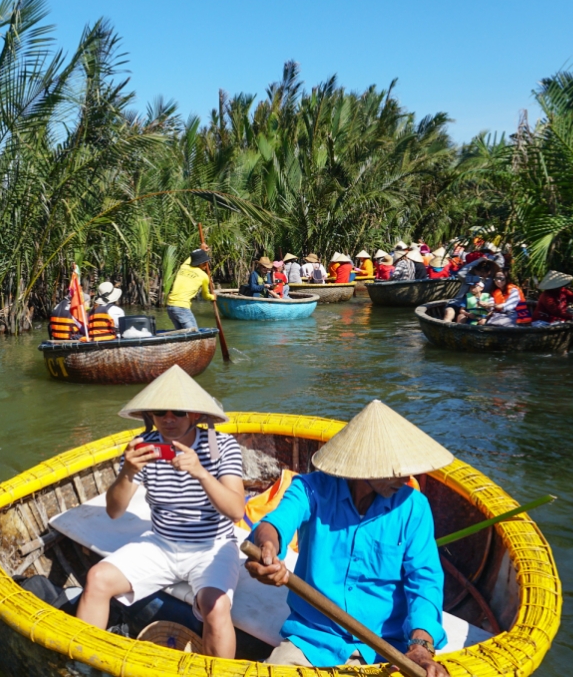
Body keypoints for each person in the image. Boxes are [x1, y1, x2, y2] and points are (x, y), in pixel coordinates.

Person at [246, 399, 451, 674]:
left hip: (386, 648)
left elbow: (424, 582)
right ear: (363, 466)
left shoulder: (414, 508)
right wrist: (268, 549)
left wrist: (420, 646)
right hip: (313, 641)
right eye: (396, 470)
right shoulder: (312, 489)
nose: (405, 479)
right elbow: (274, 525)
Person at [77, 366, 245, 658]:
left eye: (178, 412)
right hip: (162, 543)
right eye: (159, 412)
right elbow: (114, 511)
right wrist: (128, 472)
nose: (168, 419)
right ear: (150, 416)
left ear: (195, 415)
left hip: (212, 546)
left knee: (216, 608)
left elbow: (236, 511)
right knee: (97, 578)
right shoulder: (143, 448)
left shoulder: (222, 447)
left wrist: (202, 474)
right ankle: (80, 662)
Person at [167, 248, 216, 330]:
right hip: (181, 308)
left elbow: (191, 257)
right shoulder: (204, 276)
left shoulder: (183, 267)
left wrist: (201, 249)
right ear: (201, 263)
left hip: (170, 307)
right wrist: (213, 297)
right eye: (205, 262)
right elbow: (205, 296)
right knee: (194, 334)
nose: (206, 264)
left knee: (182, 335)